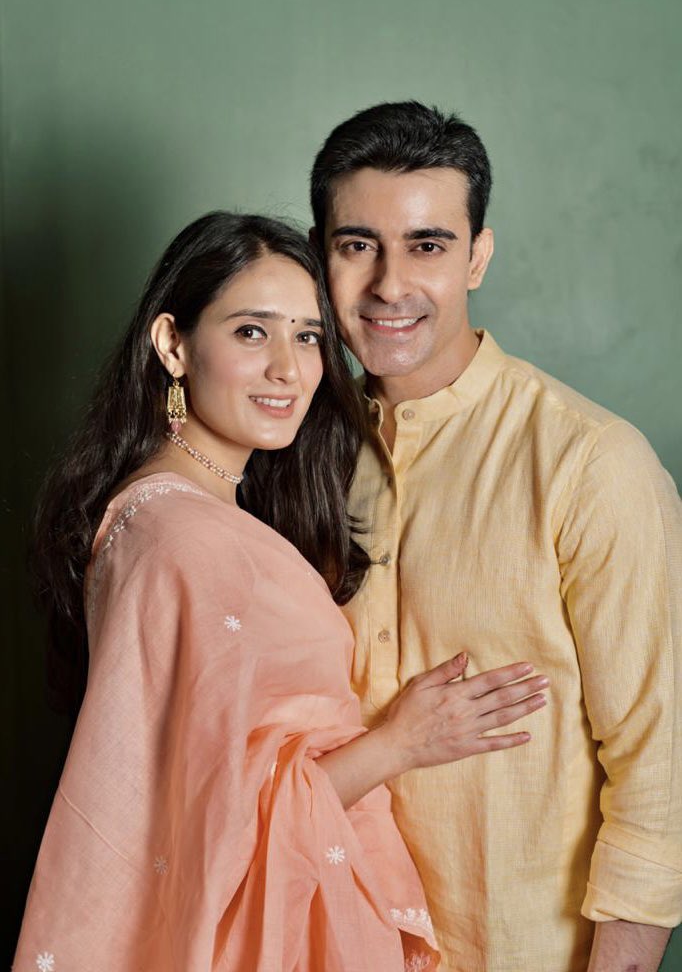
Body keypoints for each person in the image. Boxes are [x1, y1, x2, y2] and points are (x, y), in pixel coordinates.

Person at [14, 212, 548, 971]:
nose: (289, 371)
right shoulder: (184, 541)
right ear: (172, 345)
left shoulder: (171, 515)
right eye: (251, 333)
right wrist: (404, 742)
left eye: (307, 337)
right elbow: (222, 823)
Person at [310, 102, 682, 972]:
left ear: (477, 256)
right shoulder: (300, 455)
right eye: (358, 244)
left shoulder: (590, 461)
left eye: (427, 245)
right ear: (321, 256)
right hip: (339, 941)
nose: (390, 285)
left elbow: (659, 761)